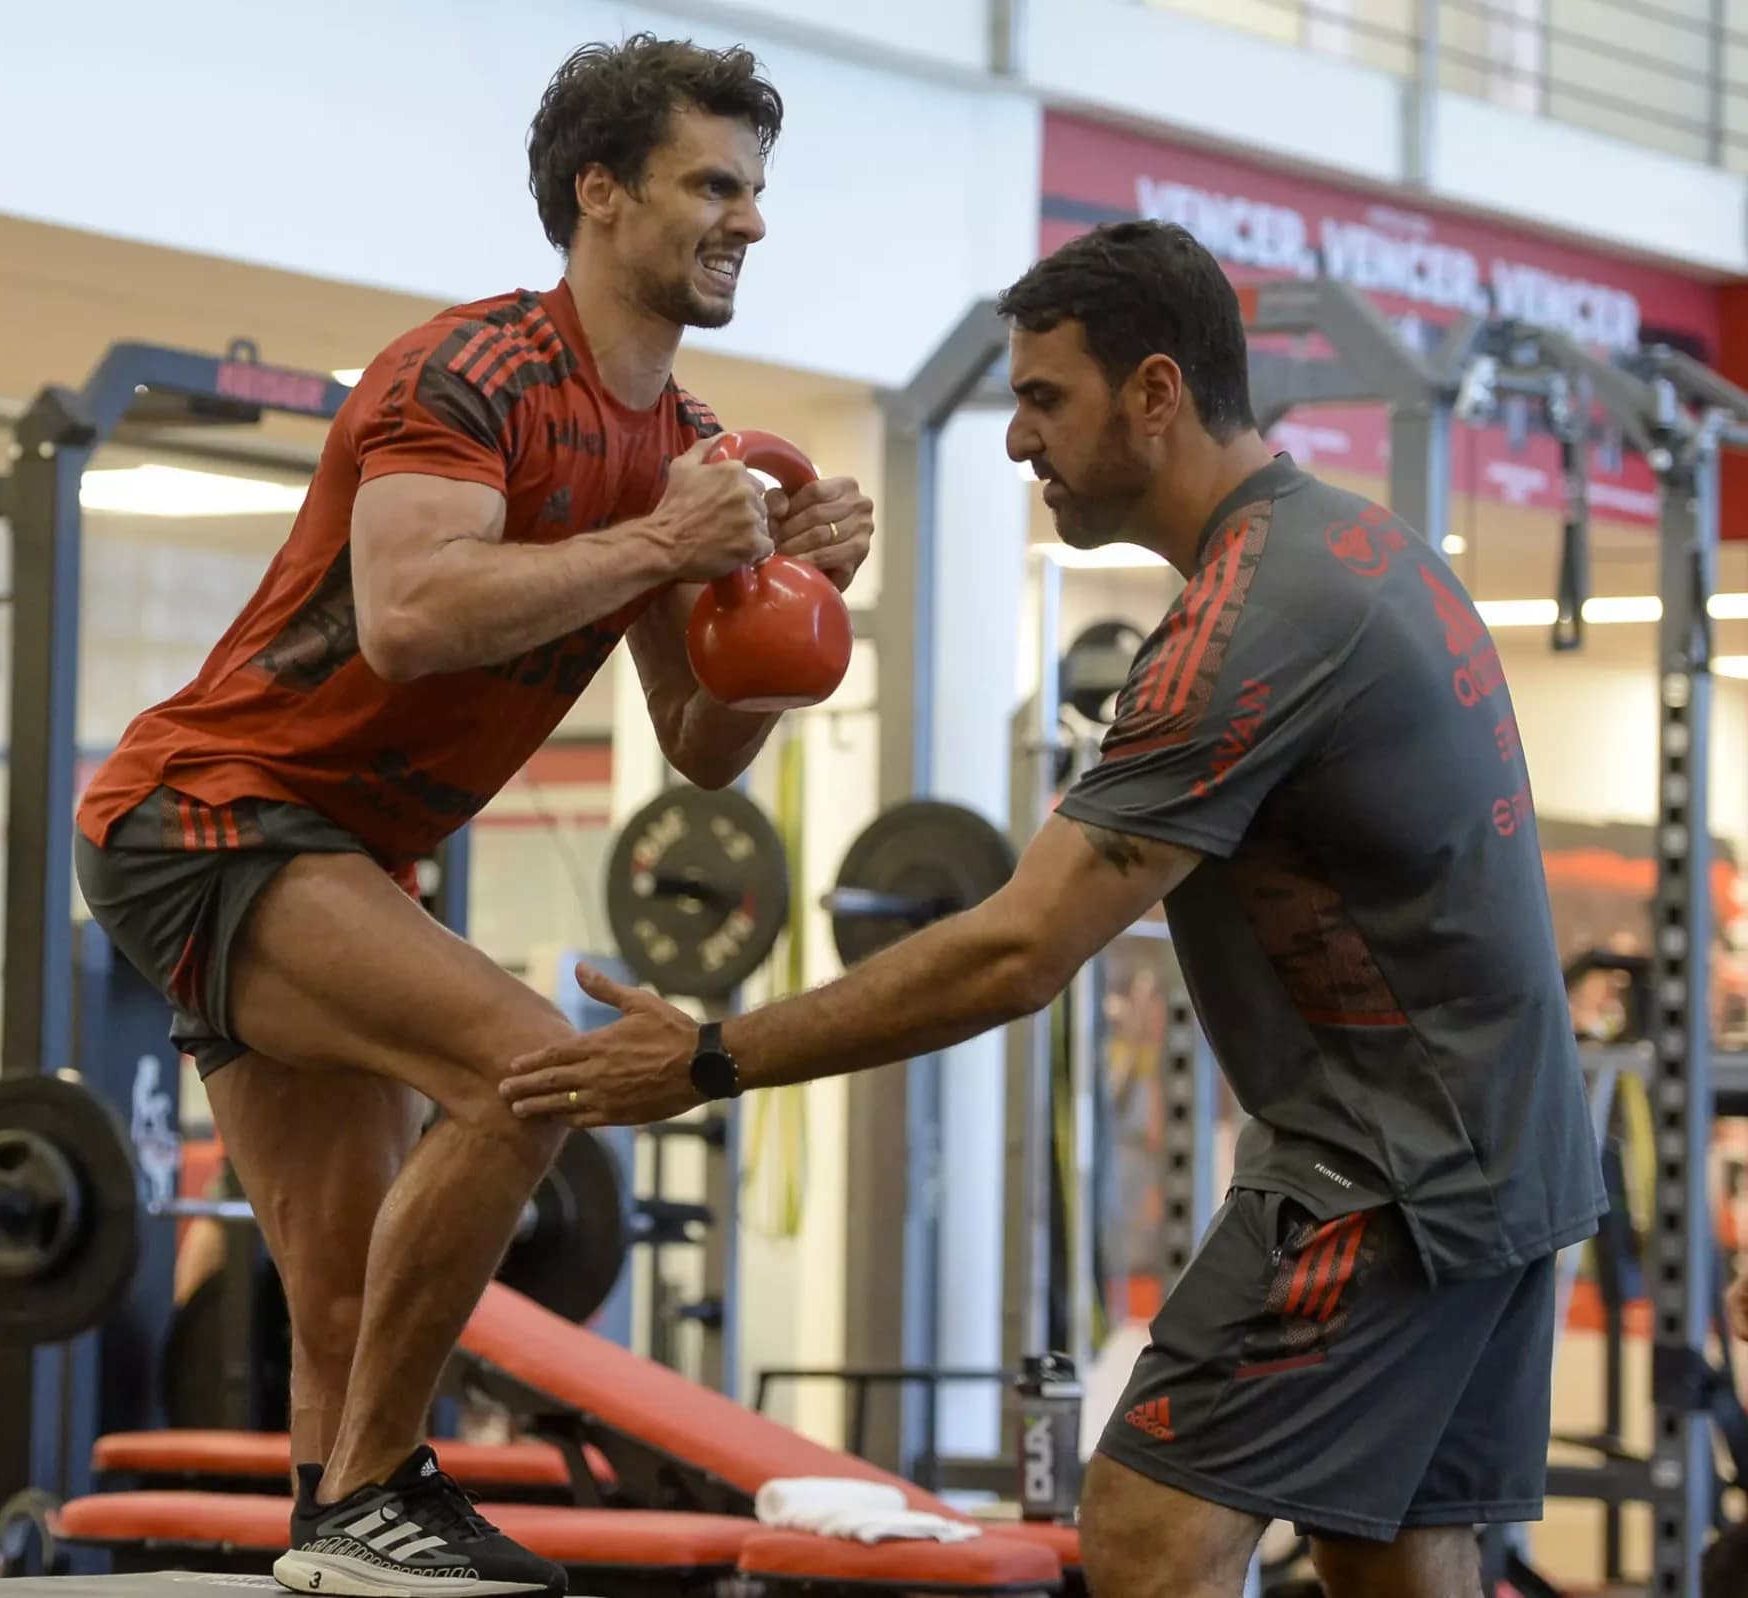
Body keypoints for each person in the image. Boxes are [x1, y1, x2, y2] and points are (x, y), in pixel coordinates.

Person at [500, 220, 1608, 1598]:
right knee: (1394, 1561)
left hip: (1380, 1178)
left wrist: (710, 1056)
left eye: (1043, 400)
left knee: (1147, 1523)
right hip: (1513, 1159)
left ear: (1155, 391)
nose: (1020, 443)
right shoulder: (1364, 548)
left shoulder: (1245, 622)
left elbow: (1021, 947)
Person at [73, 33, 874, 1597]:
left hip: (340, 852)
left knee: (336, 1297)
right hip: (208, 812)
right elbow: (412, 614)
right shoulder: (471, 373)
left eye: (757, 190)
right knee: (538, 1072)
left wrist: (792, 616)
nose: (751, 221)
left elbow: (699, 750)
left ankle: (342, 1528)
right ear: (599, 192)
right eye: (714, 184)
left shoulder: (681, 448)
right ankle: (381, 1486)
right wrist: (661, 542)